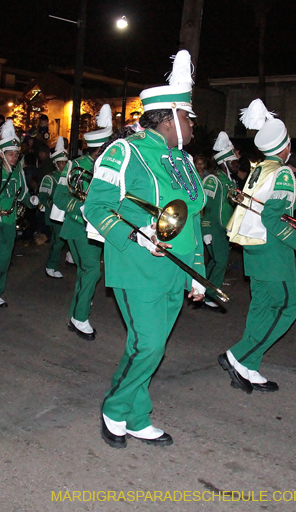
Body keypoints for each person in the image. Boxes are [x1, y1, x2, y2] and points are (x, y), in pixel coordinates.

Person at [84, 50, 206, 448]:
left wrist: (197, 272)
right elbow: (96, 205)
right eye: (188, 118)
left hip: (177, 267)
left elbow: (195, 218)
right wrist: (136, 233)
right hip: (137, 264)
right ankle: (116, 408)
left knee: (147, 346)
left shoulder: (184, 161)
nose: (191, 126)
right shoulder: (126, 151)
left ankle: (137, 415)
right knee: (150, 344)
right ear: (169, 117)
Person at [220, 99, 296, 396]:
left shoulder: (261, 168)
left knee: (262, 308)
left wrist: (294, 192)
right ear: (286, 145)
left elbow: (266, 205)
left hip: (254, 248)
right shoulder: (281, 173)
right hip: (273, 250)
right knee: (287, 308)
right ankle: (238, 355)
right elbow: (273, 217)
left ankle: (248, 366)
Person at [52, 104, 112, 340]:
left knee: (88, 273)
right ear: (99, 149)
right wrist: (83, 210)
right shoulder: (74, 166)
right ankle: (79, 318)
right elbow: (59, 198)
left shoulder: (109, 167)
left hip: (100, 229)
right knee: (91, 271)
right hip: (78, 227)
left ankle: (81, 307)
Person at [0, 120, 40, 307]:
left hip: (9, 219)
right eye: (10, 154)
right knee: (2, 255)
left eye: (16, 154)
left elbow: (22, 193)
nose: (15, 157)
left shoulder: (18, 172)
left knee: (6, 257)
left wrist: (31, 201)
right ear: (1, 153)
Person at [200, 131, 239, 311]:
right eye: (233, 162)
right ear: (224, 163)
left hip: (225, 229)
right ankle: (209, 294)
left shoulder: (231, 183)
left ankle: (202, 288)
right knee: (220, 261)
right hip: (213, 228)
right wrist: (206, 230)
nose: (236, 165)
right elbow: (205, 207)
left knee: (217, 262)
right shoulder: (213, 180)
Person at [39, 136, 69, 278]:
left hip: (67, 213)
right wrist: (55, 205)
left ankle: (69, 257)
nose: (63, 165)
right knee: (58, 240)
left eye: (65, 162)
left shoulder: (69, 177)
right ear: (55, 163)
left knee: (69, 237)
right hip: (55, 215)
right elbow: (43, 197)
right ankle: (51, 265)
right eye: (60, 163)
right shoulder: (50, 178)